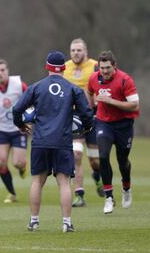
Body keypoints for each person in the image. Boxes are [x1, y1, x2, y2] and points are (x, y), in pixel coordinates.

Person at [13, 51, 93, 233]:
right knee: (64, 183)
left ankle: (34, 221)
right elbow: (87, 114)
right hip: (63, 142)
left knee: (37, 182)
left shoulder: (36, 87)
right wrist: (85, 128)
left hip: (40, 141)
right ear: (64, 68)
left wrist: (21, 125)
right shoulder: (73, 89)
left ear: (47, 67)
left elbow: (17, 109)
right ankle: (66, 223)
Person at [87, 51, 139, 214]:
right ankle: (109, 197)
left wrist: (111, 101)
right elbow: (90, 92)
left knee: (122, 160)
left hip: (124, 125)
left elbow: (135, 105)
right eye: (102, 68)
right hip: (104, 123)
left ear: (114, 67)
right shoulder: (94, 78)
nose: (105, 71)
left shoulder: (125, 80)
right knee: (102, 157)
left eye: (108, 68)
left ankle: (126, 187)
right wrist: (92, 109)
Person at [63, 38, 104, 207]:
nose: (75, 53)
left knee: (95, 161)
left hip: (93, 117)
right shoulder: (65, 68)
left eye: (79, 50)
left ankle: (97, 176)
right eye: (73, 50)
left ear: (85, 51)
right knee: (76, 154)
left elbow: (106, 87)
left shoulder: (95, 66)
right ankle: (79, 195)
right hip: (74, 117)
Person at [0, 58, 28, 204]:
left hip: (18, 128)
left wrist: (29, 116)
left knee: (18, 163)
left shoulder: (18, 85)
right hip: (1, 129)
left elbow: (32, 99)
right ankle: (12, 193)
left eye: (2, 70)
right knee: (1, 161)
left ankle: (22, 167)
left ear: (7, 71)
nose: (0, 73)